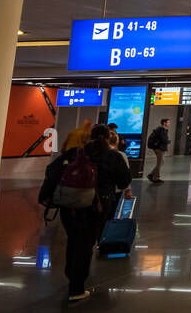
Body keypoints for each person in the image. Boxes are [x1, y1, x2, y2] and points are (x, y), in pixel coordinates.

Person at [40, 124, 132, 303]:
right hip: (96, 206)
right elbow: (124, 181)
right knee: (86, 242)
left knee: (74, 238)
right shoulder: (112, 156)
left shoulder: (75, 153)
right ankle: (76, 287)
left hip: (70, 204)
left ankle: (71, 273)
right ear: (107, 138)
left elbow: (51, 171)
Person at [147, 118, 170, 184]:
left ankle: (152, 175)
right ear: (164, 123)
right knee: (160, 163)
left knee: (161, 162)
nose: (169, 123)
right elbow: (163, 139)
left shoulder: (161, 129)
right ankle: (155, 177)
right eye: (168, 122)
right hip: (159, 148)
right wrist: (168, 141)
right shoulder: (161, 129)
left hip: (160, 147)